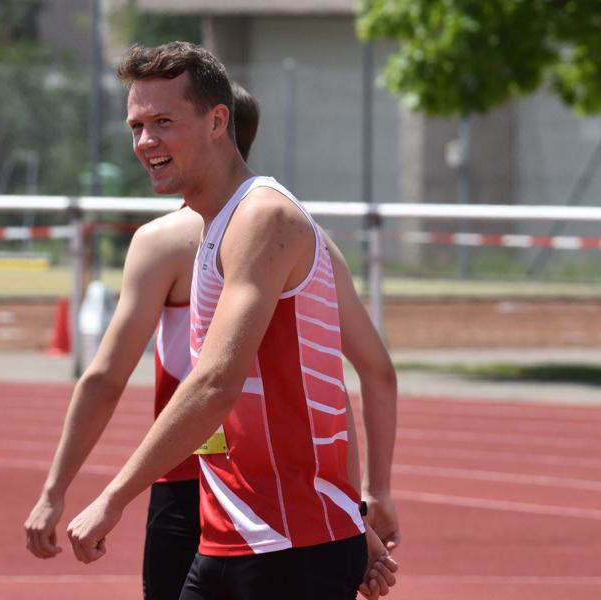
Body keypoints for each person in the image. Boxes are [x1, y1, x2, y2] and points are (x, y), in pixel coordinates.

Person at [64, 42, 398, 600]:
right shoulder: (214, 227)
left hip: (290, 549)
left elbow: (216, 385)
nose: (145, 141)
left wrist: (113, 497)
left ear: (218, 121)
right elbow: (325, 383)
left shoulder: (265, 219)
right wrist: (355, 513)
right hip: (232, 537)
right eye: (137, 126)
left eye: (163, 122)